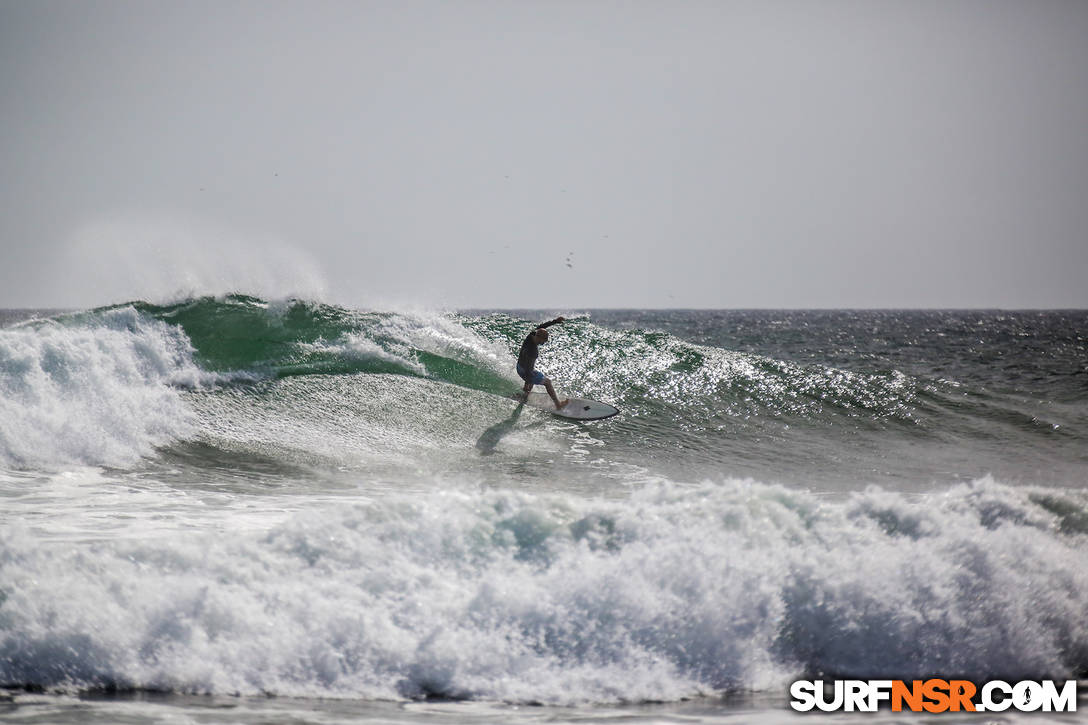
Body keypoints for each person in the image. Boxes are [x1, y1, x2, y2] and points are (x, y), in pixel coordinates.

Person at [516, 316, 569, 409]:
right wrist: (528, 382)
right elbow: (529, 370)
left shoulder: (531, 335)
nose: (543, 343)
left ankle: (524, 395)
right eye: (543, 341)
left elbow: (542, 326)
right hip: (524, 370)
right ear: (539, 338)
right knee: (547, 382)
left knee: (533, 375)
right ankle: (558, 405)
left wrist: (555, 321)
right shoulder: (533, 351)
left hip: (519, 366)